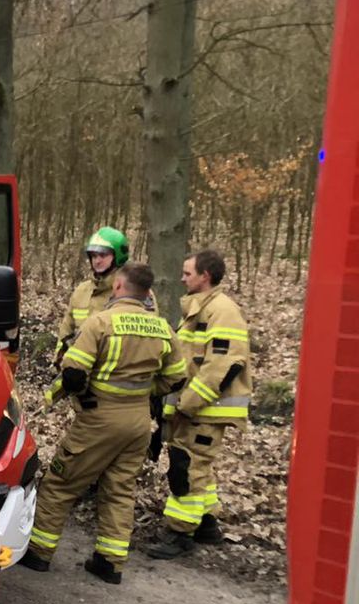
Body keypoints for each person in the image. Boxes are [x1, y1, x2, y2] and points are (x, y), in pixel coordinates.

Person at [22, 262, 187, 583]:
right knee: (120, 491)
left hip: (98, 420)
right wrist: (144, 392)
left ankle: (39, 553)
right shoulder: (163, 328)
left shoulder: (101, 323)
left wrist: (79, 394)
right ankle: (110, 562)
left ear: (118, 287)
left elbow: (73, 374)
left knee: (61, 483)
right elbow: (177, 378)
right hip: (139, 423)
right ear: (147, 293)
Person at [147, 250, 252, 559]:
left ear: (205, 276)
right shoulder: (201, 308)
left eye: (188, 273)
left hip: (204, 409)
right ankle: (206, 524)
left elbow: (222, 365)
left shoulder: (222, 310)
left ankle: (179, 533)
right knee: (198, 465)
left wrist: (187, 404)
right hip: (197, 407)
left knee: (186, 467)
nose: (182, 278)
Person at [53, 227, 130, 368]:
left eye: (103, 255)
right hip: (78, 372)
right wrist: (59, 361)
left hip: (115, 373)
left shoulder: (133, 290)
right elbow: (66, 329)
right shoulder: (82, 290)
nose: (97, 261)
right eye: (94, 256)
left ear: (118, 256)